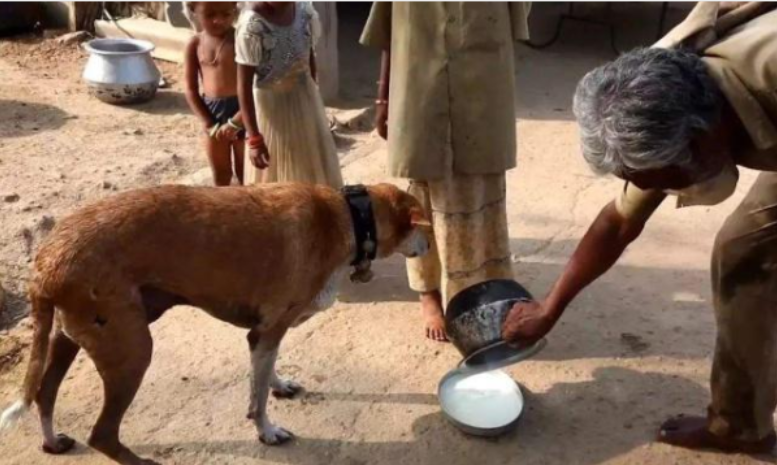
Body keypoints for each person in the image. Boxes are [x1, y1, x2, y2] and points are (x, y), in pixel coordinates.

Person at [502, 1, 777, 454]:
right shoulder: (669, 100)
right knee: (743, 252)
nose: (654, 191)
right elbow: (619, 222)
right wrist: (550, 307)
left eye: (660, 181)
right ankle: (740, 425)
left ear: (702, 140)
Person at [360, 2, 532, 341]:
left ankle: (486, 288)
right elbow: (390, 33)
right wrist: (383, 100)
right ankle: (429, 295)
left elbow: (517, 20)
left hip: (482, 93)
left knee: (482, 188)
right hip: (423, 93)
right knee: (424, 192)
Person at [235, 1, 343, 188]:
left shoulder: (304, 11)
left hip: (305, 98)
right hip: (272, 113)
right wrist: (254, 138)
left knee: (311, 165)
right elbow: (243, 86)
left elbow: (308, 56)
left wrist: (314, 98)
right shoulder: (252, 25)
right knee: (279, 177)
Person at [184, 2, 245, 186]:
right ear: (194, 11)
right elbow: (190, 89)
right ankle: (224, 212)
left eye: (226, 14)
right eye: (210, 15)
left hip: (242, 110)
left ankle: (248, 212)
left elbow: (255, 86)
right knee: (220, 173)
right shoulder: (195, 44)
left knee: (247, 173)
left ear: (235, 10)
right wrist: (208, 122)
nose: (218, 20)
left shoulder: (241, 40)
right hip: (212, 113)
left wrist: (237, 120)